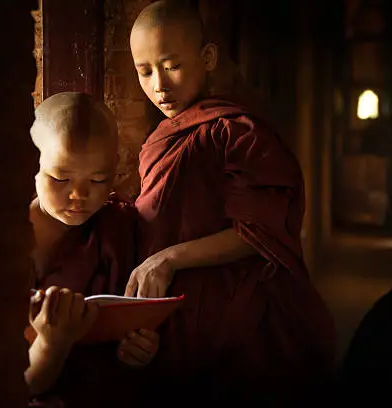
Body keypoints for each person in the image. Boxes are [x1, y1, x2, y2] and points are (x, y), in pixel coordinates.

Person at [126, 1, 336, 405]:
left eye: (171, 65)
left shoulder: (238, 134)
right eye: (145, 71)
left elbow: (258, 232)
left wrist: (168, 259)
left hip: (238, 317)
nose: (159, 86)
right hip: (176, 320)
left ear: (207, 58)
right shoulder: (163, 137)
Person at [27, 92, 159, 407]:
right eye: (61, 178)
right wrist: (52, 344)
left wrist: (139, 350)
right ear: (29, 163)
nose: (79, 195)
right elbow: (8, 383)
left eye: (99, 180)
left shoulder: (118, 229)